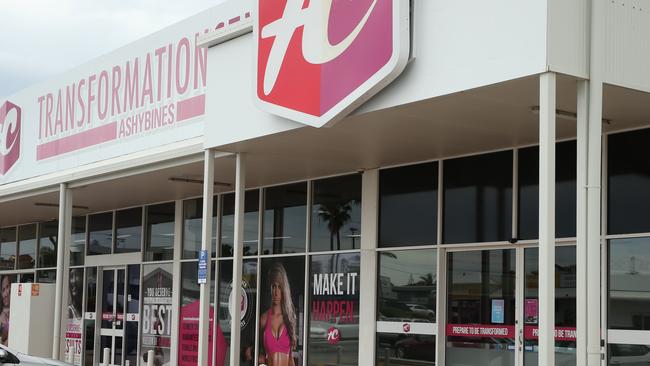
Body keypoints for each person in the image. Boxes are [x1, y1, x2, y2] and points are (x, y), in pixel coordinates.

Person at [259, 263, 297, 366]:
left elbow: (290, 358)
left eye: (279, 287)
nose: (276, 292)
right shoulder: (263, 319)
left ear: (284, 289)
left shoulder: (290, 319)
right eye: (273, 286)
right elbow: (254, 352)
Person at [0, 275, 14, 346]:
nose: (5, 294)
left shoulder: (16, 312)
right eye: (3, 290)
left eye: (7, 287)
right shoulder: (2, 315)